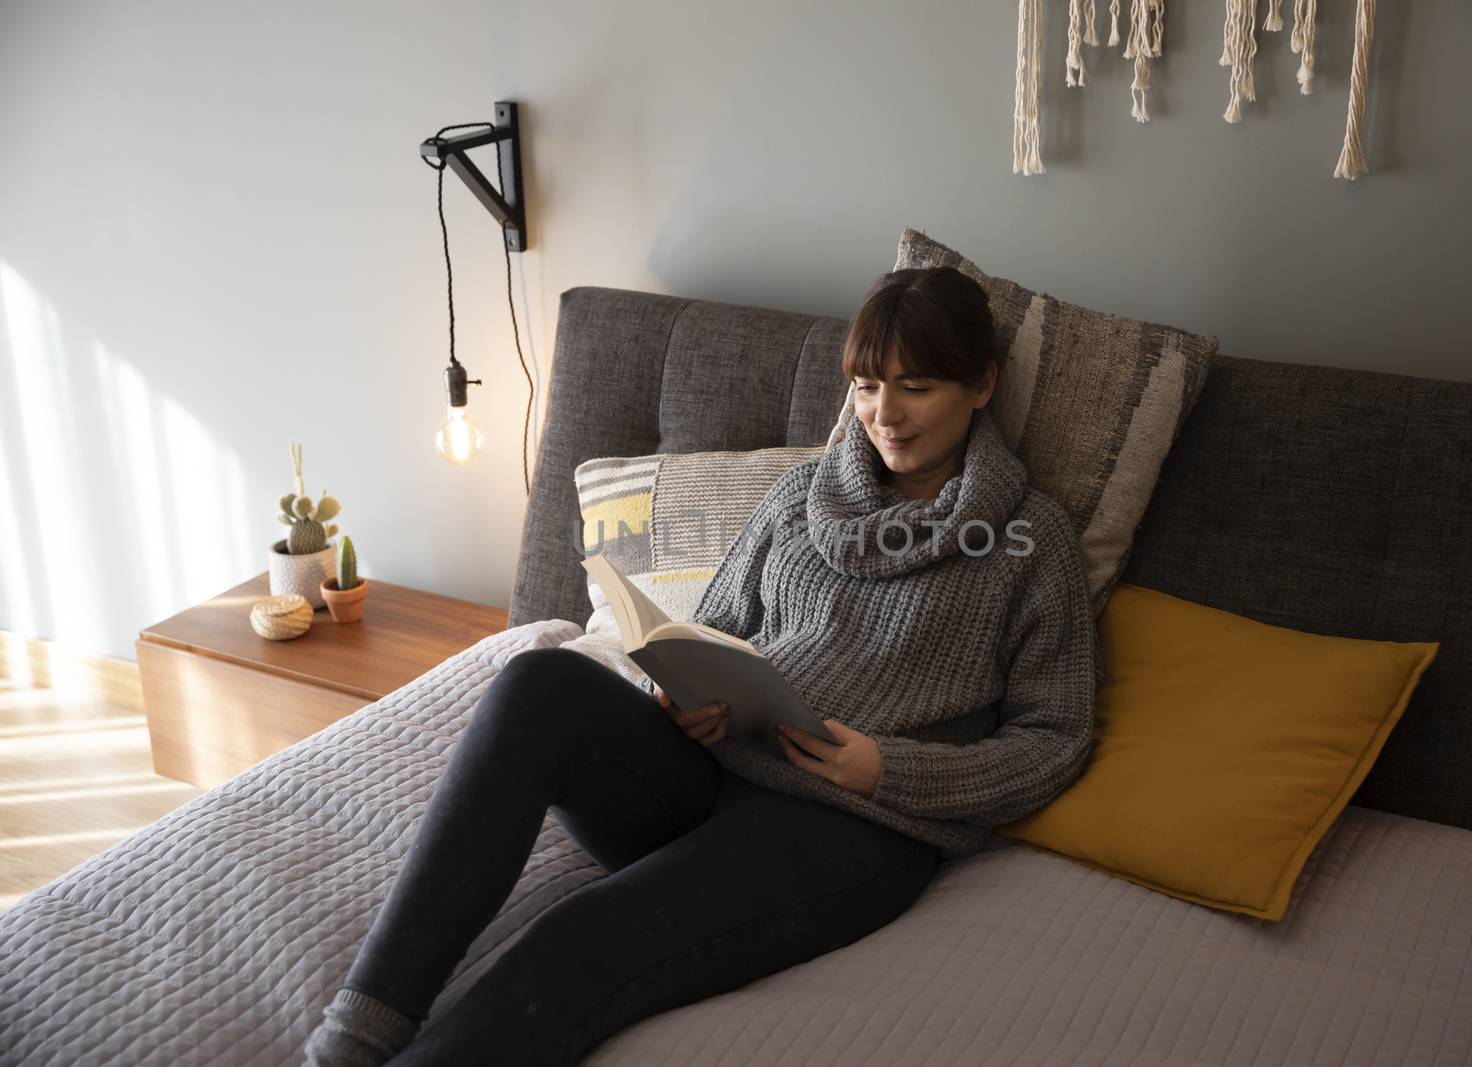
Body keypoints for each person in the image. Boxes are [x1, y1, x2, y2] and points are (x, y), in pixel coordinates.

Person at [303, 266, 1102, 1067]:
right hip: (714, 767)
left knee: (582, 934)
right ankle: (356, 1032)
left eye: (915, 387)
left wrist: (888, 771)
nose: (882, 415)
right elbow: (714, 627)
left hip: (851, 828)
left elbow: (1054, 738)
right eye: (863, 387)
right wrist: (683, 695)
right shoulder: (801, 496)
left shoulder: (1030, 541)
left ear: (982, 384)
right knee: (535, 682)